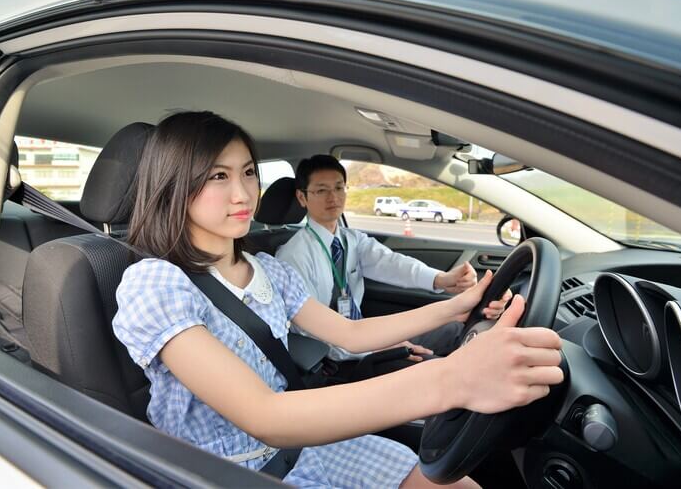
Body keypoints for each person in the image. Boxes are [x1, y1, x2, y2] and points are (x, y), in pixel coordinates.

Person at [112, 111, 564, 488]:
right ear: (174, 186)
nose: (243, 193)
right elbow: (264, 415)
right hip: (225, 472)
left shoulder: (269, 270)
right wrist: (454, 378)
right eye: (218, 176)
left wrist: (454, 306)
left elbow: (350, 332)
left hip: (305, 444)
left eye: (249, 171)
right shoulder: (154, 284)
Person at [276, 154, 509, 367]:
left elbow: (391, 263)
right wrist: (381, 347)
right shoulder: (293, 257)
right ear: (302, 197)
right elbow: (313, 334)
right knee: (433, 363)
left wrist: (441, 279)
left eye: (339, 187)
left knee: (457, 329)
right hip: (338, 359)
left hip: (366, 335)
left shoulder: (350, 239)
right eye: (322, 190)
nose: (333, 197)